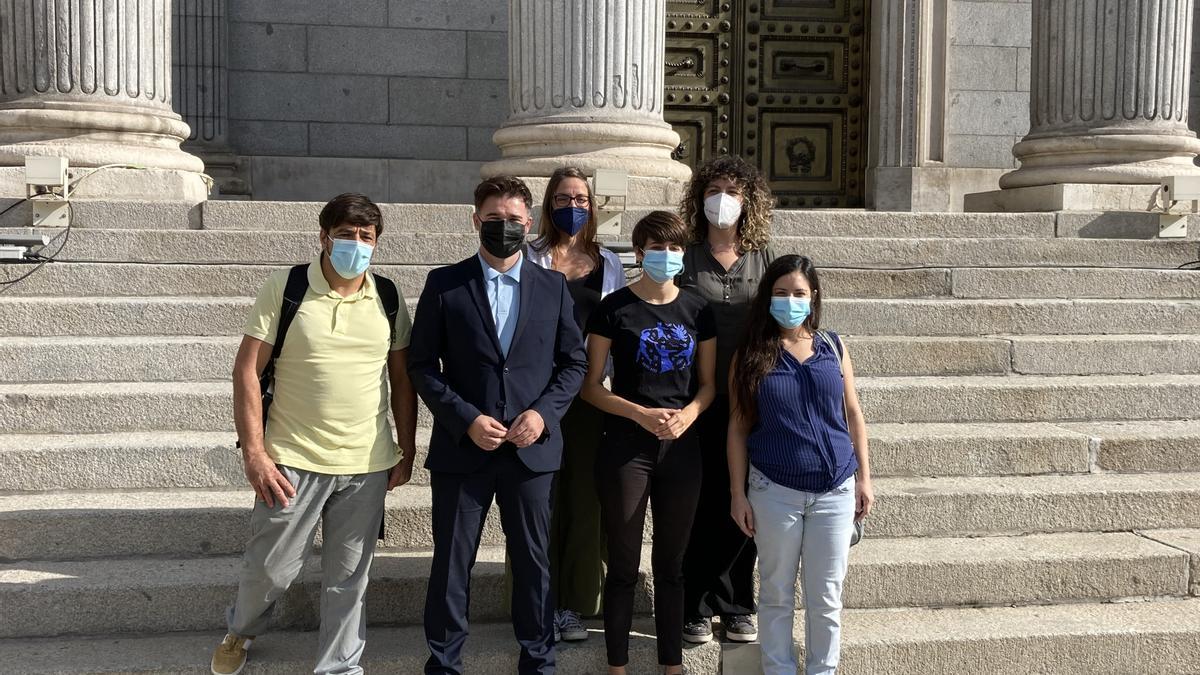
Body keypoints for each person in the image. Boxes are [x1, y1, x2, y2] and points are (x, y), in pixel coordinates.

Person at [211, 193, 417, 675]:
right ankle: (240, 629)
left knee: (349, 578)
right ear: (324, 237)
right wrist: (255, 454)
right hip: (291, 460)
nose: (356, 244)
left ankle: (339, 667)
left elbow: (402, 380)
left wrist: (404, 449)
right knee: (270, 570)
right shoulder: (285, 288)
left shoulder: (387, 296)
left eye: (367, 237)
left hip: (365, 464)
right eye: (347, 234)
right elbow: (246, 370)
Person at [409, 175, 588, 675]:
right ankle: (443, 663)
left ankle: (538, 659)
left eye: (513, 220)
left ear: (529, 223)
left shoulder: (552, 287)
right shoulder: (444, 284)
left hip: (531, 452)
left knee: (533, 561)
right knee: (451, 562)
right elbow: (421, 365)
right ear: (475, 221)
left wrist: (542, 413)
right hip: (464, 450)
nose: (504, 227)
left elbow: (573, 364)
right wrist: (465, 419)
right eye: (494, 219)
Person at [582, 211, 716, 675]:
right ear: (638, 253)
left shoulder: (699, 309)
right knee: (622, 562)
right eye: (655, 248)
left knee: (672, 564)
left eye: (674, 248)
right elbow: (591, 385)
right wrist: (639, 413)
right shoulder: (614, 307)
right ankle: (617, 666)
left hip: (682, 448)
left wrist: (688, 416)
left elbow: (708, 385)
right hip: (625, 447)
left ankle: (670, 665)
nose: (666, 256)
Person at [726, 255, 874, 675]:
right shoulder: (751, 354)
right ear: (767, 297)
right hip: (776, 491)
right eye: (780, 293)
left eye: (798, 294)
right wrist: (738, 494)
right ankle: (779, 669)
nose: (789, 301)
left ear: (813, 299)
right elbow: (737, 429)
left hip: (835, 489)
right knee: (775, 593)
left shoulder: (833, 346)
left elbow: (853, 413)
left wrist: (865, 477)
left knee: (826, 598)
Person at [677, 155, 776, 645]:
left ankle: (738, 603)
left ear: (749, 201)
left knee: (745, 500)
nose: (723, 200)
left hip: (751, 397)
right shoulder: (686, 255)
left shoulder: (763, 258)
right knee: (700, 501)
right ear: (700, 198)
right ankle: (694, 605)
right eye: (715, 189)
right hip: (695, 397)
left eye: (733, 191)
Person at [526, 167, 626, 641]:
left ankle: (576, 604)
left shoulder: (609, 263)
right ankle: (537, 601)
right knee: (538, 499)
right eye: (565, 197)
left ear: (593, 206)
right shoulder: (528, 256)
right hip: (536, 397)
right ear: (549, 204)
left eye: (582, 198)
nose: (574, 206)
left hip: (587, 395)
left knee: (584, 499)